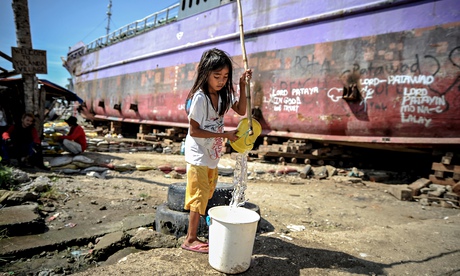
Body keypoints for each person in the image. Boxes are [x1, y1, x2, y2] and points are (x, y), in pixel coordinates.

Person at [181, 48, 252, 253]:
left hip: (212, 154)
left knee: (208, 192)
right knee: (198, 195)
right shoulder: (200, 98)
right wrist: (225, 136)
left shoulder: (223, 96)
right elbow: (194, 131)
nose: (221, 81)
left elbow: (241, 111)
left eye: (225, 77)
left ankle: (197, 233)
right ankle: (190, 239)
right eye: (217, 76)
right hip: (197, 154)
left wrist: (241, 85)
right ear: (206, 74)